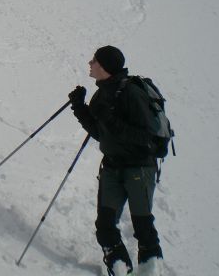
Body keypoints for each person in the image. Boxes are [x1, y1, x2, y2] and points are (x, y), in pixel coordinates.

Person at [68, 46, 164, 276]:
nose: (90, 63)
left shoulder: (131, 93)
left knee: (143, 227)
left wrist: (109, 120)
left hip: (139, 168)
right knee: (105, 227)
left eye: (94, 60)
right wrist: (80, 108)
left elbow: (147, 137)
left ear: (105, 66)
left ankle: (150, 270)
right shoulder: (101, 94)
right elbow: (101, 133)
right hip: (112, 167)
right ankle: (121, 270)